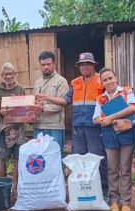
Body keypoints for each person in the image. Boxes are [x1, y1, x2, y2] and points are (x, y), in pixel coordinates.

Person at [36, 52, 109, 200]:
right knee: (77, 158)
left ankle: (104, 192)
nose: (85, 67)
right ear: (79, 66)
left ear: (94, 65)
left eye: (88, 64)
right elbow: (64, 101)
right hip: (78, 127)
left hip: (95, 127)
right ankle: (80, 191)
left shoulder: (102, 81)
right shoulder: (75, 83)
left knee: (98, 158)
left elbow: (111, 98)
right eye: (82, 64)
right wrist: (46, 97)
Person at [93, 68, 135, 211]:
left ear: (116, 77)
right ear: (102, 82)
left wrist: (111, 118)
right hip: (109, 136)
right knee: (112, 169)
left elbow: (132, 108)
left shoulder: (126, 92)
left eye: (110, 78)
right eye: (105, 80)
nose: (108, 82)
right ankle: (113, 200)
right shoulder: (101, 99)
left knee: (125, 169)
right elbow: (96, 119)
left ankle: (125, 202)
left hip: (127, 135)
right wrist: (110, 121)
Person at [0, 62, 26, 198]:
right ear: (2, 75)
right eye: (5, 74)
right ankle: (2, 188)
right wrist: (1, 112)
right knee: (2, 158)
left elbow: (25, 107)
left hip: (19, 128)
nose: (8, 76)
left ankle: (15, 188)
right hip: (4, 128)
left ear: (14, 74)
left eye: (10, 74)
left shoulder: (21, 89)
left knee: (18, 158)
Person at [33, 51, 69, 151]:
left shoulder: (61, 81)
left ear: (54, 64)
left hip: (55, 127)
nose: (46, 67)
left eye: (48, 64)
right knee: (38, 159)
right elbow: (34, 103)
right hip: (39, 126)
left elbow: (61, 104)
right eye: (43, 65)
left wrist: (42, 108)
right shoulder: (37, 82)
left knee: (55, 157)